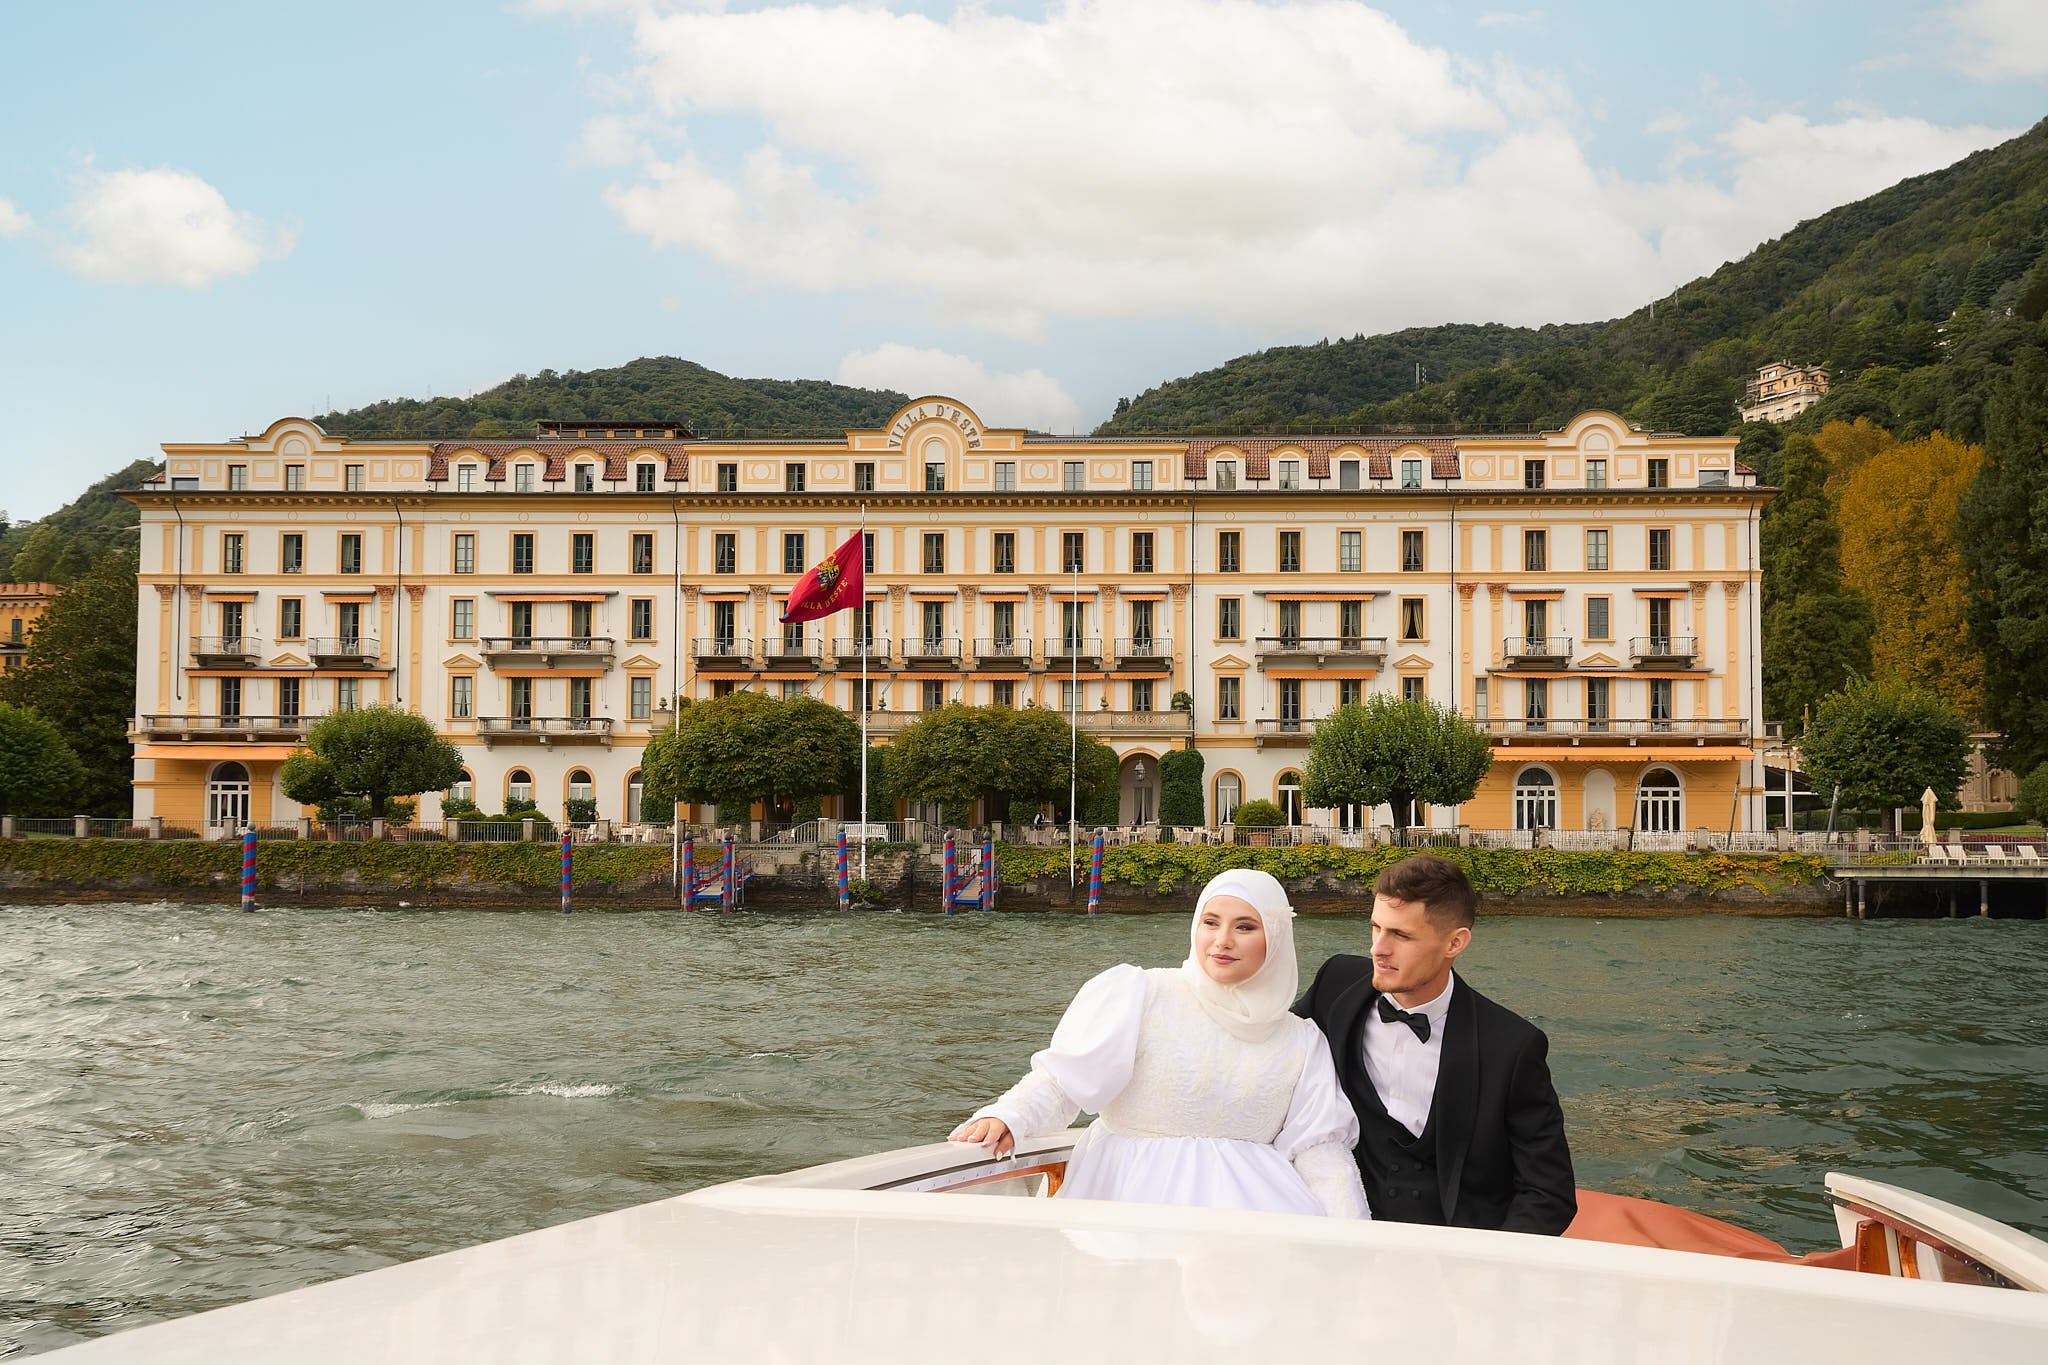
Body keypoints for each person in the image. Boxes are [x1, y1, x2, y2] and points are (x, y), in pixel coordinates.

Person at [951, 868, 1369, 1219]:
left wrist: (1357, 1239)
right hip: (1126, 1201)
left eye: (1245, 927)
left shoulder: (1301, 1039)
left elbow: (1320, 1151)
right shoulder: (1142, 994)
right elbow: (1064, 1082)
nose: (1222, 940)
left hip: (1254, 1217)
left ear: (1276, 937)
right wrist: (1009, 1115)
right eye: (1210, 922)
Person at [1293, 853, 1576, 1234]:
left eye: (1401, 935)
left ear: (1455, 943)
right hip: (1340, 1232)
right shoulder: (1335, 984)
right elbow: (1270, 1050)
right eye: (1376, 927)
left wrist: (1480, 1263)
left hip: (1455, 1250)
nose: (1378, 948)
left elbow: (1548, 1193)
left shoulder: (1511, 1047)